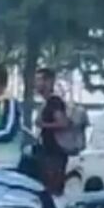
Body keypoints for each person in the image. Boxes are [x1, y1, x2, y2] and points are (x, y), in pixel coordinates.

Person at [35, 68, 69, 196]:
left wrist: (43, 125)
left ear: (48, 82)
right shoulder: (47, 102)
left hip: (55, 154)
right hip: (49, 153)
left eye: (39, 80)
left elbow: (63, 123)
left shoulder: (54, 102)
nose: (36, 83)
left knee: (53, 190)